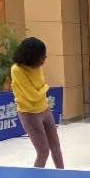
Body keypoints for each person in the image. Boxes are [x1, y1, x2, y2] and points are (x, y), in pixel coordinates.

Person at [11, 36, 64, 169]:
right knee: (43, 151)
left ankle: (63, 174)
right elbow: (33, 95)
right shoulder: (17, 70)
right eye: (41, 56)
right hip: (29, 113)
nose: (44, 59)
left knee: (55, 146)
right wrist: (45, 88)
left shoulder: (37, 66)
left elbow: (39, 88)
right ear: (32, 57)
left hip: (44, 108)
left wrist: (41, 89)